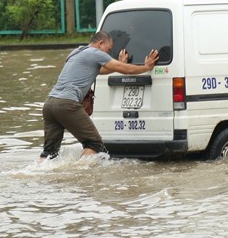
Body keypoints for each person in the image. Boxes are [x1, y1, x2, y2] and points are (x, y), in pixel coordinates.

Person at [40, 30, 159, 160]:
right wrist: (146, 67)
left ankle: (37, 173)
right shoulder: (95, 53)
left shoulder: (76, 52)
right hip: (67, 104)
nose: (108, 53)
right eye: (108, 49)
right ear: (101, 43)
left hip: (50, 105)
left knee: (49, 153)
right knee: (94, 144)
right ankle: (78, 174)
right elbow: (127, 70)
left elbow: (100, 70)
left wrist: (120, 64)